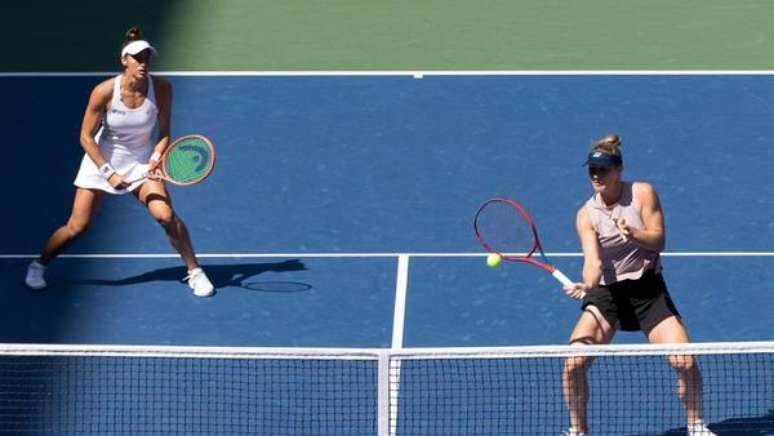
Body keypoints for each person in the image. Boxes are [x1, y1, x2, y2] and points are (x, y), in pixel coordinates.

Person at [24, 27, 214, 297]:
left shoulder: (161, 88)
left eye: (147, 57)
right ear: (124, 60)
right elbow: (85, 137)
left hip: (140, 160)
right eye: (138, 57)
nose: (144, 62)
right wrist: (108, 172)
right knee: (77, 227)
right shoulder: (103, 92)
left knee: (166, 215)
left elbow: (165, 133)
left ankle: (195, 271)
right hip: (101, 159)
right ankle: (39, 264)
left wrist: (156, 158)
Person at [561, 134, 714, 436]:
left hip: (648, 293)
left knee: (685, 362)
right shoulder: (586, 215)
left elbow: (659, 241)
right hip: (608, 295)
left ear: (618, 170)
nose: (596, 175)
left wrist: (633, 234)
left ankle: (695, 426)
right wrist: (585, 286)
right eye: (591, 170)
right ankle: (578, 431)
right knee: (573, 365)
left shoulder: (643, 193)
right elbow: (592, 262)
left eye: (602, 169)